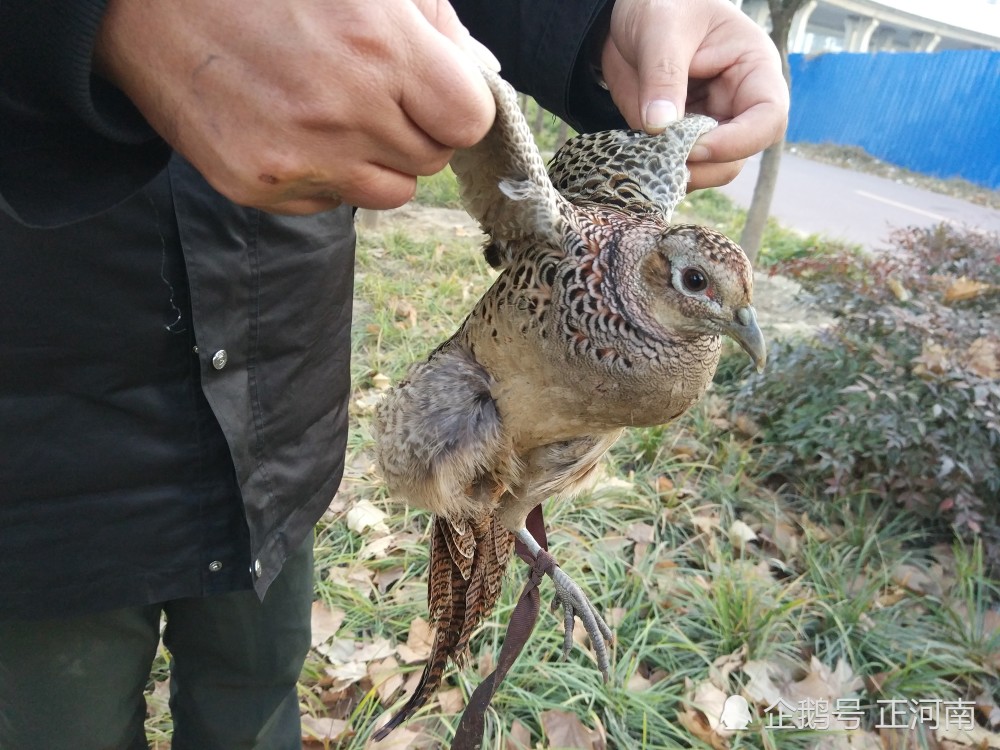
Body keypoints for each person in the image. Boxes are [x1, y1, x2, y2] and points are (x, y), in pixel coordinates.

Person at [0, 1, 788, 748]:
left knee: (259, 687)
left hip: (277, 409)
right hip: (45, 442)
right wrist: (97, 20)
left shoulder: (666, 314)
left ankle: (510, 532)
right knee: (60, 719)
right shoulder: (566, 254)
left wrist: (602, 19)